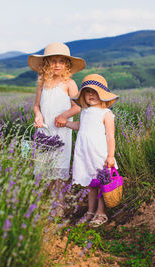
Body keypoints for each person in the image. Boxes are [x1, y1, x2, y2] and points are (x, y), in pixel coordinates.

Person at [28, 42, 85, 214]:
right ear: (47, 63)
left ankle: (59, 203)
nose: (58, 64)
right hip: (44, 130)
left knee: (59, 166)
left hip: (61, 131)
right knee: (45, 166)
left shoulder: (69, 83)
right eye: (54, 61)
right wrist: (38, 116)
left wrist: (64, 117)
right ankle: (47, 201)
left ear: (67, 64)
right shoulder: (42, 83)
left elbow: (77, 107)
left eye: (61, 61)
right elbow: (36, 106)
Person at [65, 74, 119, 227]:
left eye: (96, 92)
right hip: (85, 154)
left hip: (99, 154)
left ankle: (101, 212)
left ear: (103, 95)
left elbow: (110, 135)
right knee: (91, 184)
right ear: (83, 95)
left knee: (102, 184)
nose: (92, 95)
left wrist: (111, 155)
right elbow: (80, 126)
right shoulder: (85, 112)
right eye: (88, 92)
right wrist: (67, 124)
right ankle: (90, 211)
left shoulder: (106, 113)